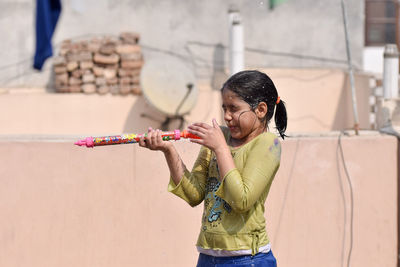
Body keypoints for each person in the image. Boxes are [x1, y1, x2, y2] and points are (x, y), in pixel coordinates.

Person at [138, 70, 287, 267]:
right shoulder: (219, 139)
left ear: (260, 110)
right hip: (208, 258)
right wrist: (168, 150)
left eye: (234, 108)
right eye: (224, 108)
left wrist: (219, 148)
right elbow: (194, 194)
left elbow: (242, 200)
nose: (227, 117)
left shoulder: (267, 144)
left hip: (247, 260)